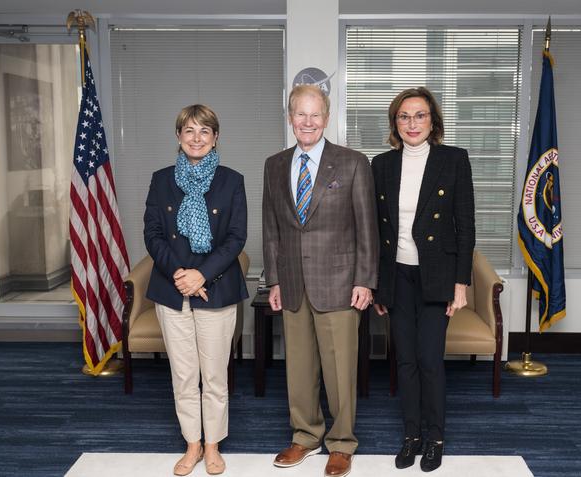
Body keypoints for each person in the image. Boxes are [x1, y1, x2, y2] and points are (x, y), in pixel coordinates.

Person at [262, 84, 378, 477]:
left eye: (315, 115)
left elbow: (367, 228)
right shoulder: (274, 165)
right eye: (301, 114)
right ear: (290, 117)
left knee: (340, 370)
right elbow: (272, 229)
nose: (308, 122)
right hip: (293, 283)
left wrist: (365, 280)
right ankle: (306, 435)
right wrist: (274, 281)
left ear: (326, 119)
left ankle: (342, 443)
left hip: (341, 284)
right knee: (298, 368)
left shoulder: (352, 163)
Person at [371, 88, 475, 472]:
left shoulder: (454, 160)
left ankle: (435, 437)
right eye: (404, 116)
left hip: (437, 277)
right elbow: (376, 230)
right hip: (397, 276)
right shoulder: (381, 164)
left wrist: (460, 284)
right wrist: (378, 285)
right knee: (406, 361)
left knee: (430, 360)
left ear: (433, 121)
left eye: (420, 115)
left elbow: (465, 227)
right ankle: (411, 435)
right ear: (394, 123)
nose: (412, 123)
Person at [143, 104, 248, 476]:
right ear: (178, 136)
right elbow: (153, 235)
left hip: (216, 289)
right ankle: (193, 444)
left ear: (215, 138)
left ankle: (214, 445)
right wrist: (180, 274)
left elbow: (236, 238)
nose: (197, 138)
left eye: (205, 131)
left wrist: (201, 275)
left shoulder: (231, 180)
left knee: (215, 376)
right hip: (172, 290)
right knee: (184, 375)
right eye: (189, 130)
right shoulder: (161, 180)